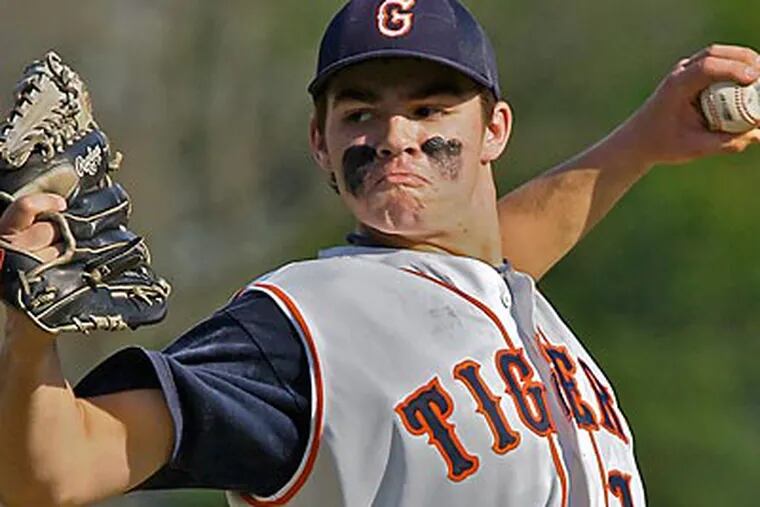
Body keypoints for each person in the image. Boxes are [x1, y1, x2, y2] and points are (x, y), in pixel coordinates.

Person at [0, 1, 757, 506]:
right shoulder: (297, 329)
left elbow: (477, 268)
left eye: (429, 108)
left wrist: (643, 142)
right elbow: (55, 471)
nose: (396, 137)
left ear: (494, 130)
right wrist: (31, 333)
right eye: (361, 113)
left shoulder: (495, 298)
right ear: (320, 142)